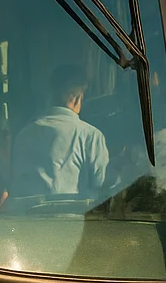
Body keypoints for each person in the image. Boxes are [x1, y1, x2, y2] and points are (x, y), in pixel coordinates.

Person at [10, 66, 110, 200]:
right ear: (76, 98)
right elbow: (101, 186)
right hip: (76, 213)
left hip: (28, 213)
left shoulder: (24, 135)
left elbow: (16, 186)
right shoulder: (91, 136)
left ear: (51, 95)